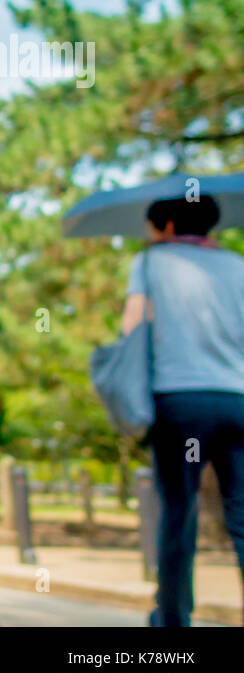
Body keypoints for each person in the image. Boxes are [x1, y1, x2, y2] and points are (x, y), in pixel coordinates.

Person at [121, 195, 244, 627]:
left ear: (170, 225)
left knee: (178, 511)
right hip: (237, 401)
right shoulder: (237, 264)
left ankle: (173, 619)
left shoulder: (152, 263)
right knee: (242, 513)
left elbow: (132, 326)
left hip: (181, 402)